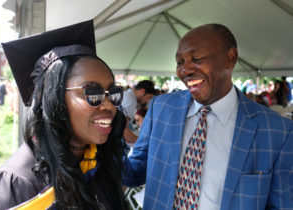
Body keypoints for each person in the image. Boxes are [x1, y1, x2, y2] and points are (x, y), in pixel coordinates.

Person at [122, 23, 293, 209]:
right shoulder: (161, 109)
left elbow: (281, 205)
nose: (184, 70)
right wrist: (102, 145)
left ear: (230, 58)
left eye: (196, 58)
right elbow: (133, 172)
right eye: (180, 62)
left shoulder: (277, 131)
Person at [0, 20, 128, 210]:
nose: (109, 106)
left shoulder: (98, 161)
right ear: (50, 97)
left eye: (112, 92)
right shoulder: (18, 182)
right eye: (92, 93)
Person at [122, 80, 156, 145]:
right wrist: (140, 141)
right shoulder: (130, 101)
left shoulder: (129, 96)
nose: (147, 101)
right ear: (142, 91)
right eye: (148, 97)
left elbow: (131, 125)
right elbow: (123, 128)